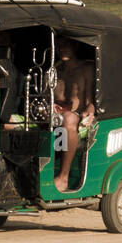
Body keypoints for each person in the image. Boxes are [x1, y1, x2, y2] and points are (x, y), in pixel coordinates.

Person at [52, 36, 95, 192]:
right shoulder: (55, 70)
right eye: (59, 45)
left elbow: (90, 102)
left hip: (76, 115)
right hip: (56, 114)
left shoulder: (86, 69)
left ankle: (64, 177)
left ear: (75, 46)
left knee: (68, 119)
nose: (62, 49)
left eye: (66, 45)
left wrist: (89, 114)